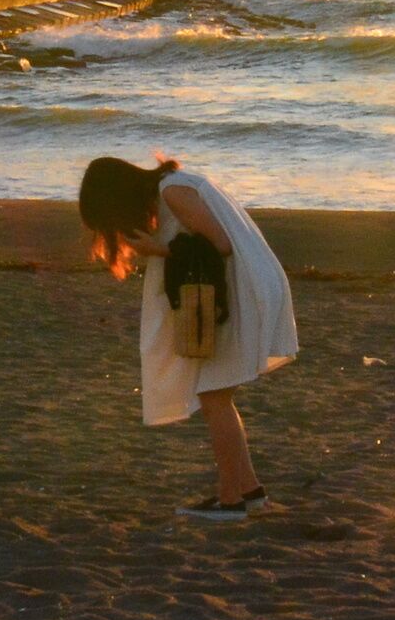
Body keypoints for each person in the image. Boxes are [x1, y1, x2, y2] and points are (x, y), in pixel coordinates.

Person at [77, 152, 297, 521]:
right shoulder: (173, 188)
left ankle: (231, 501)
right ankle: (249, 492)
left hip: (242, 290)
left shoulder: (172, 191)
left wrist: (157, 249)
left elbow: (221, 245)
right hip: (241, 286)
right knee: (216, 393)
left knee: (214, 395)